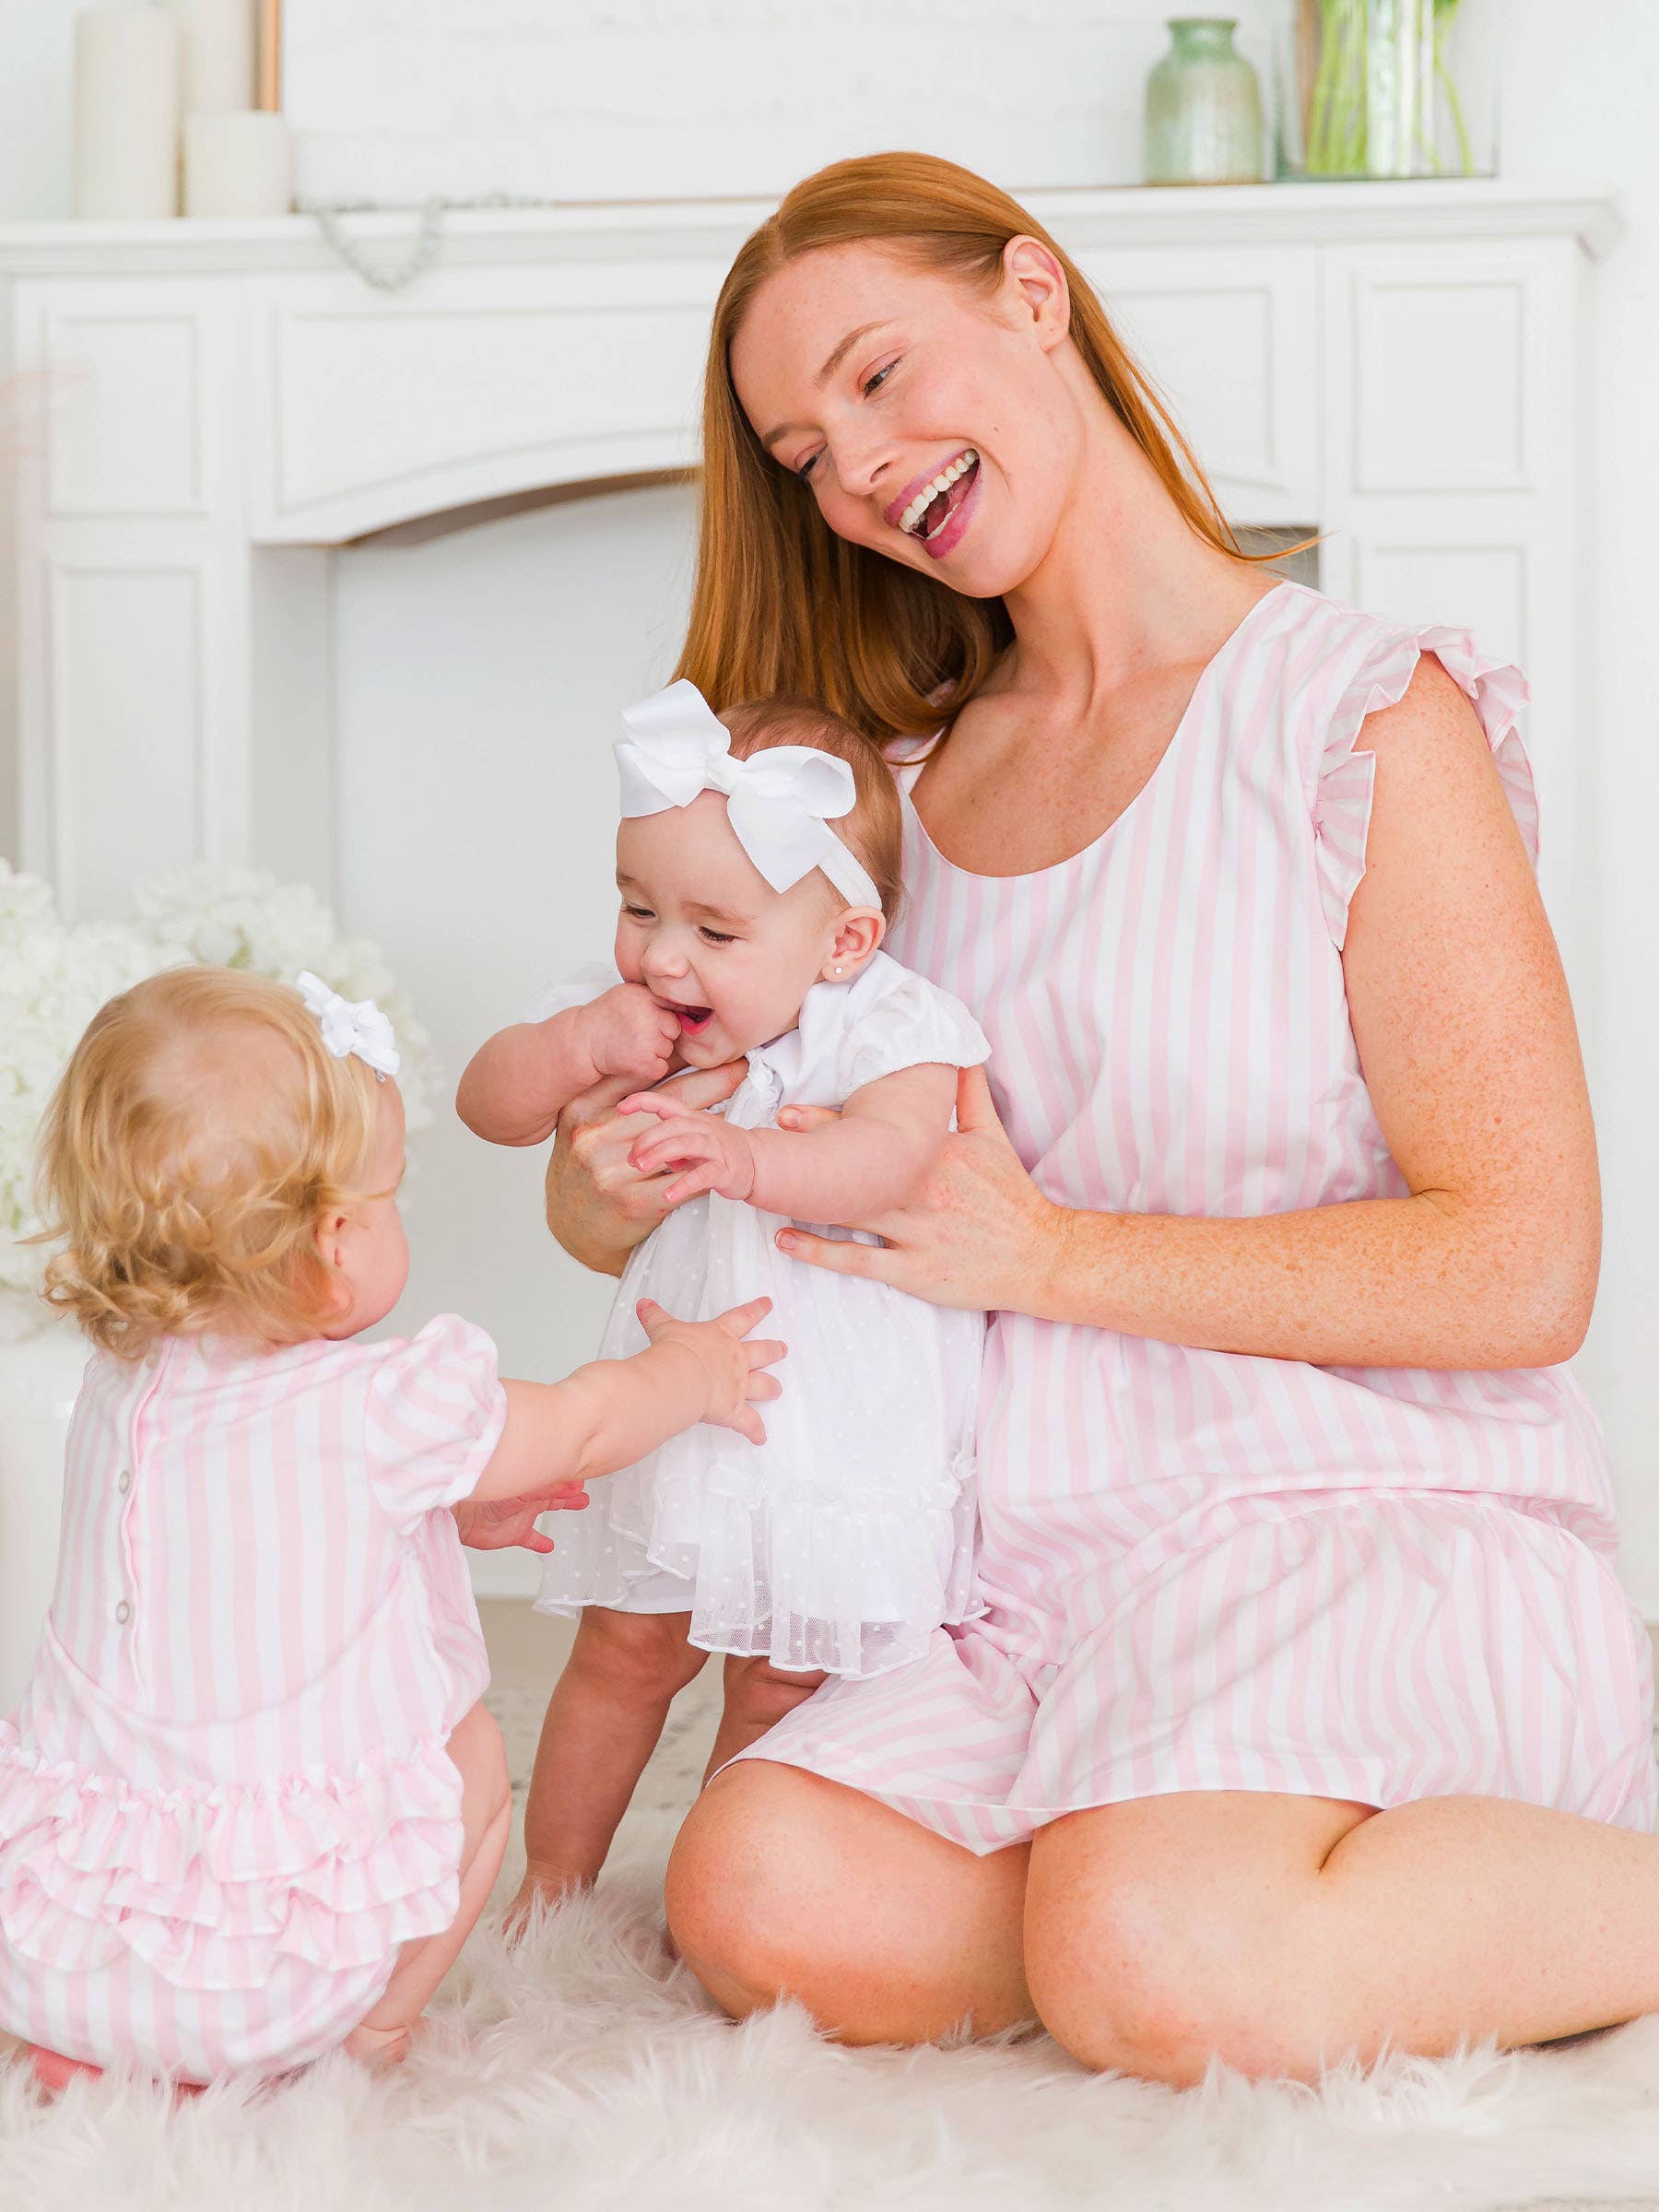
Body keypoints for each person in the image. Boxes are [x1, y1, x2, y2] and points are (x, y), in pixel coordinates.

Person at [542, 151, 1658, 2087]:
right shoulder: (872, 825)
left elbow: (1526, 1265)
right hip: (1034, 1578)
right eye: (805, 449)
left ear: (1035, 298)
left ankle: (1254, 1911)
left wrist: (1053, 1259)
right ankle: (1202, 1912)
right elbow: (757, 1176)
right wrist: (617, 1167)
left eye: (883, 377)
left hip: (1353, 1523)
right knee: (759, 1887)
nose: (858, 468)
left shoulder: (1360, 720)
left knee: (1157, 1949)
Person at [0, 964, 780, 2087]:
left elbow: (245, 1547)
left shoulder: (125, 1388)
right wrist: (689, 1369)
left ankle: (99, 2041)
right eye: (390, 1196)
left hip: (62, 1950)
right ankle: (366, 2035)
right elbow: (578, 1428)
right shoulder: (379, 1405)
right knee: (465, 1759)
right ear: (329, 1252)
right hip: (271, 1980)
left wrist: (450, 1507)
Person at [458, 682, 988, 1909]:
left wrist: (749, 1161)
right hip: (680, 1391)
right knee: (628, 1646)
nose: (661, 954)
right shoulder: (626, 1006)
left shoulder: (886, 1023)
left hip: (831, 1419)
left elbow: (896, 1156)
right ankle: (554, 1888)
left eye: (714, 930)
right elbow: (490, 1104)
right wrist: (579, 1047)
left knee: (778, 1680)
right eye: (638, 906)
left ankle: (711, 1894)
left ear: (842, 943)